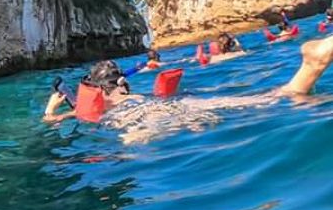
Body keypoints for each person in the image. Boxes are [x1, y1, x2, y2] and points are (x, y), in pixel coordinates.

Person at [43, 36, 333, 144]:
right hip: (167, 106)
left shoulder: (100, 105)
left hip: (136, 121)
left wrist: (51, 110)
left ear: (95, 91)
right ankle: (308, 70)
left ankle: (309, 70)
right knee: (264, 100)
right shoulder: (132, 92)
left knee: (133, 148)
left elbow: (57, 121)